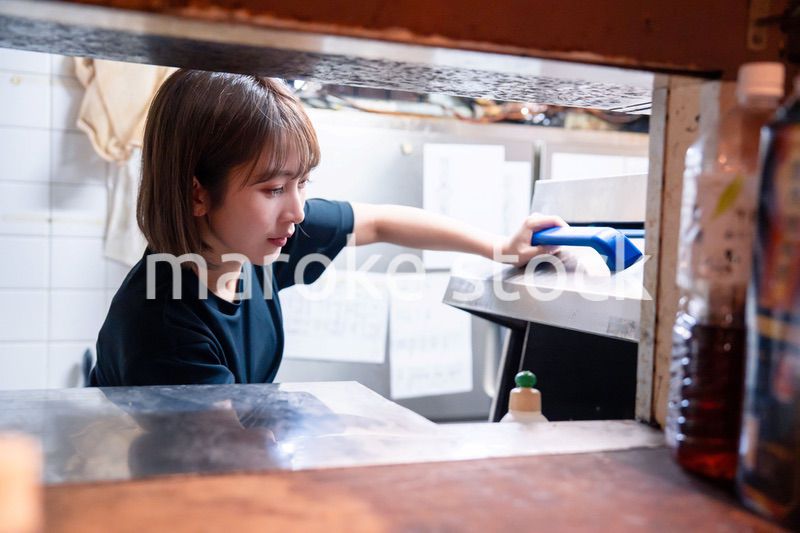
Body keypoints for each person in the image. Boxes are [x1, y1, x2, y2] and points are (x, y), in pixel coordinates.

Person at [89, 69, 565, 387]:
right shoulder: (166, 329)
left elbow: (379, 221)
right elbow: (216, 467)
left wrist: (500, 247)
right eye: (274, 188)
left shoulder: (245, 243)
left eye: (302, 183)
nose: (297, 211)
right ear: (198, 193)